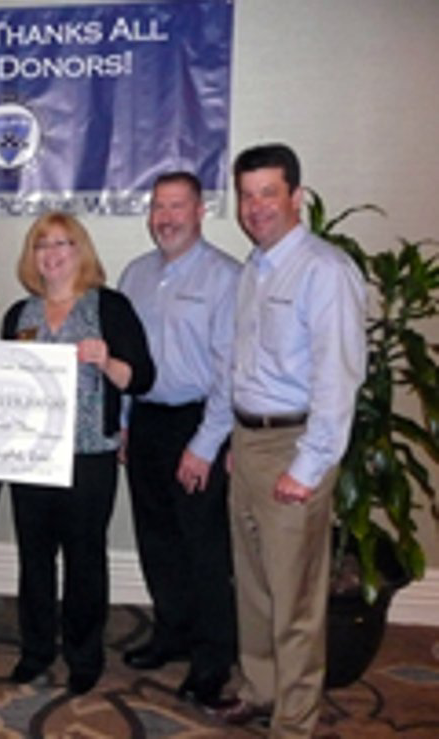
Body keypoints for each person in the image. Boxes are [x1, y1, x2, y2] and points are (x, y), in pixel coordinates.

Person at [214, 144, 366, 736]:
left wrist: (307, 467)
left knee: (296, 598)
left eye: (268, 194)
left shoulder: (324, 271)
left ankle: (296, 719)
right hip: (249, 443)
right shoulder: (254, 268)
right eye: (246, 196)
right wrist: (237, 439)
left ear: (296, 197)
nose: (255, 207)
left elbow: (338, 377)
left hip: (296, 445)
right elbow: (247, 365)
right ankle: (259, 686)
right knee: (253, 585)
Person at [2, 212, 155, 695]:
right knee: (35, 557)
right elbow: (3, 386)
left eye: (62, 243)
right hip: (31, 456)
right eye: (41, 245)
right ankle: (37, 649)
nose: (52, 253)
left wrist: (105, 359)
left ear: (80, 250)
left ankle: (84, 656)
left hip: (89, 455)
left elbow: (143, 378)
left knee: (85, 558)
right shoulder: (18, 315)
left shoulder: (109, 306)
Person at [117, 172, 240, 706]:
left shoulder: (226, 278)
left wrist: (206, 444)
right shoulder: (135, 275)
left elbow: (231, 371)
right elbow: (127, 359)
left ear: (200, 211)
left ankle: (213, 659)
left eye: (176, 206)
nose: (165, 217)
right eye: (157, 207)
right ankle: (172, 632)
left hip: (199, 422)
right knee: (158, 540)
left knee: (204, 548)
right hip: (146, 420)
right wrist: (122, 422)